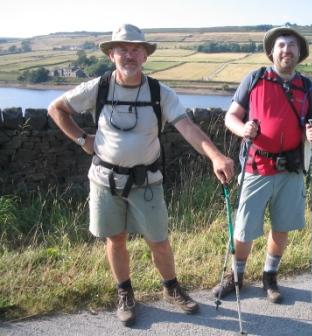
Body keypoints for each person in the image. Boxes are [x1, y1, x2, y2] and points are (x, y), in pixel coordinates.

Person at [48, 23, 234, 326]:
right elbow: (56, 109)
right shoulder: (99, 88)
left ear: (145, 56)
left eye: (136, 49)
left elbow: (187, 127)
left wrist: (215, 155)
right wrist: (83, 139)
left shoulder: (160, 92)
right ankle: (125, 294)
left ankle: (171, 288)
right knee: (116, 239)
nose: (129, 55)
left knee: (159, 240)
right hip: (104, 180)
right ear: (111, 54)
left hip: (147, 182)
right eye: (122, 49)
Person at [212, 26, 312, 303]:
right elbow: (231, 118)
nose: (287, 50)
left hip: (291, 169)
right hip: (256, 166)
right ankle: (236, 276)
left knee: (282, 227)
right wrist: (243, 130)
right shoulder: (254, 79)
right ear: (272, 52)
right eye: (281, 46)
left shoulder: (307, 87)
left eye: (292, 47)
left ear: (299, 54)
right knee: (244, 228)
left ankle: (269, 277)